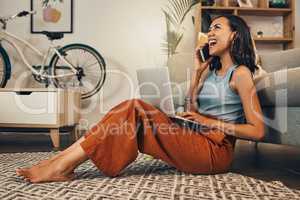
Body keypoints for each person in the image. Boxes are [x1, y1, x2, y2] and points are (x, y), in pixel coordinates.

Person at [16, 14, 265, 183]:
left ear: (234, 35)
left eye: (217, 28)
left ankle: (61, 165)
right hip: (194, 136)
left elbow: (257, 131)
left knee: (134, 108)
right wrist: (197, 75)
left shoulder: (241, 74)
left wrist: (207, 122)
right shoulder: (210, 71)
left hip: (214, 152)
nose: (209, 33)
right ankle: (61, 161)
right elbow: (193, 110)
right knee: (129, 108)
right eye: (209, 29)